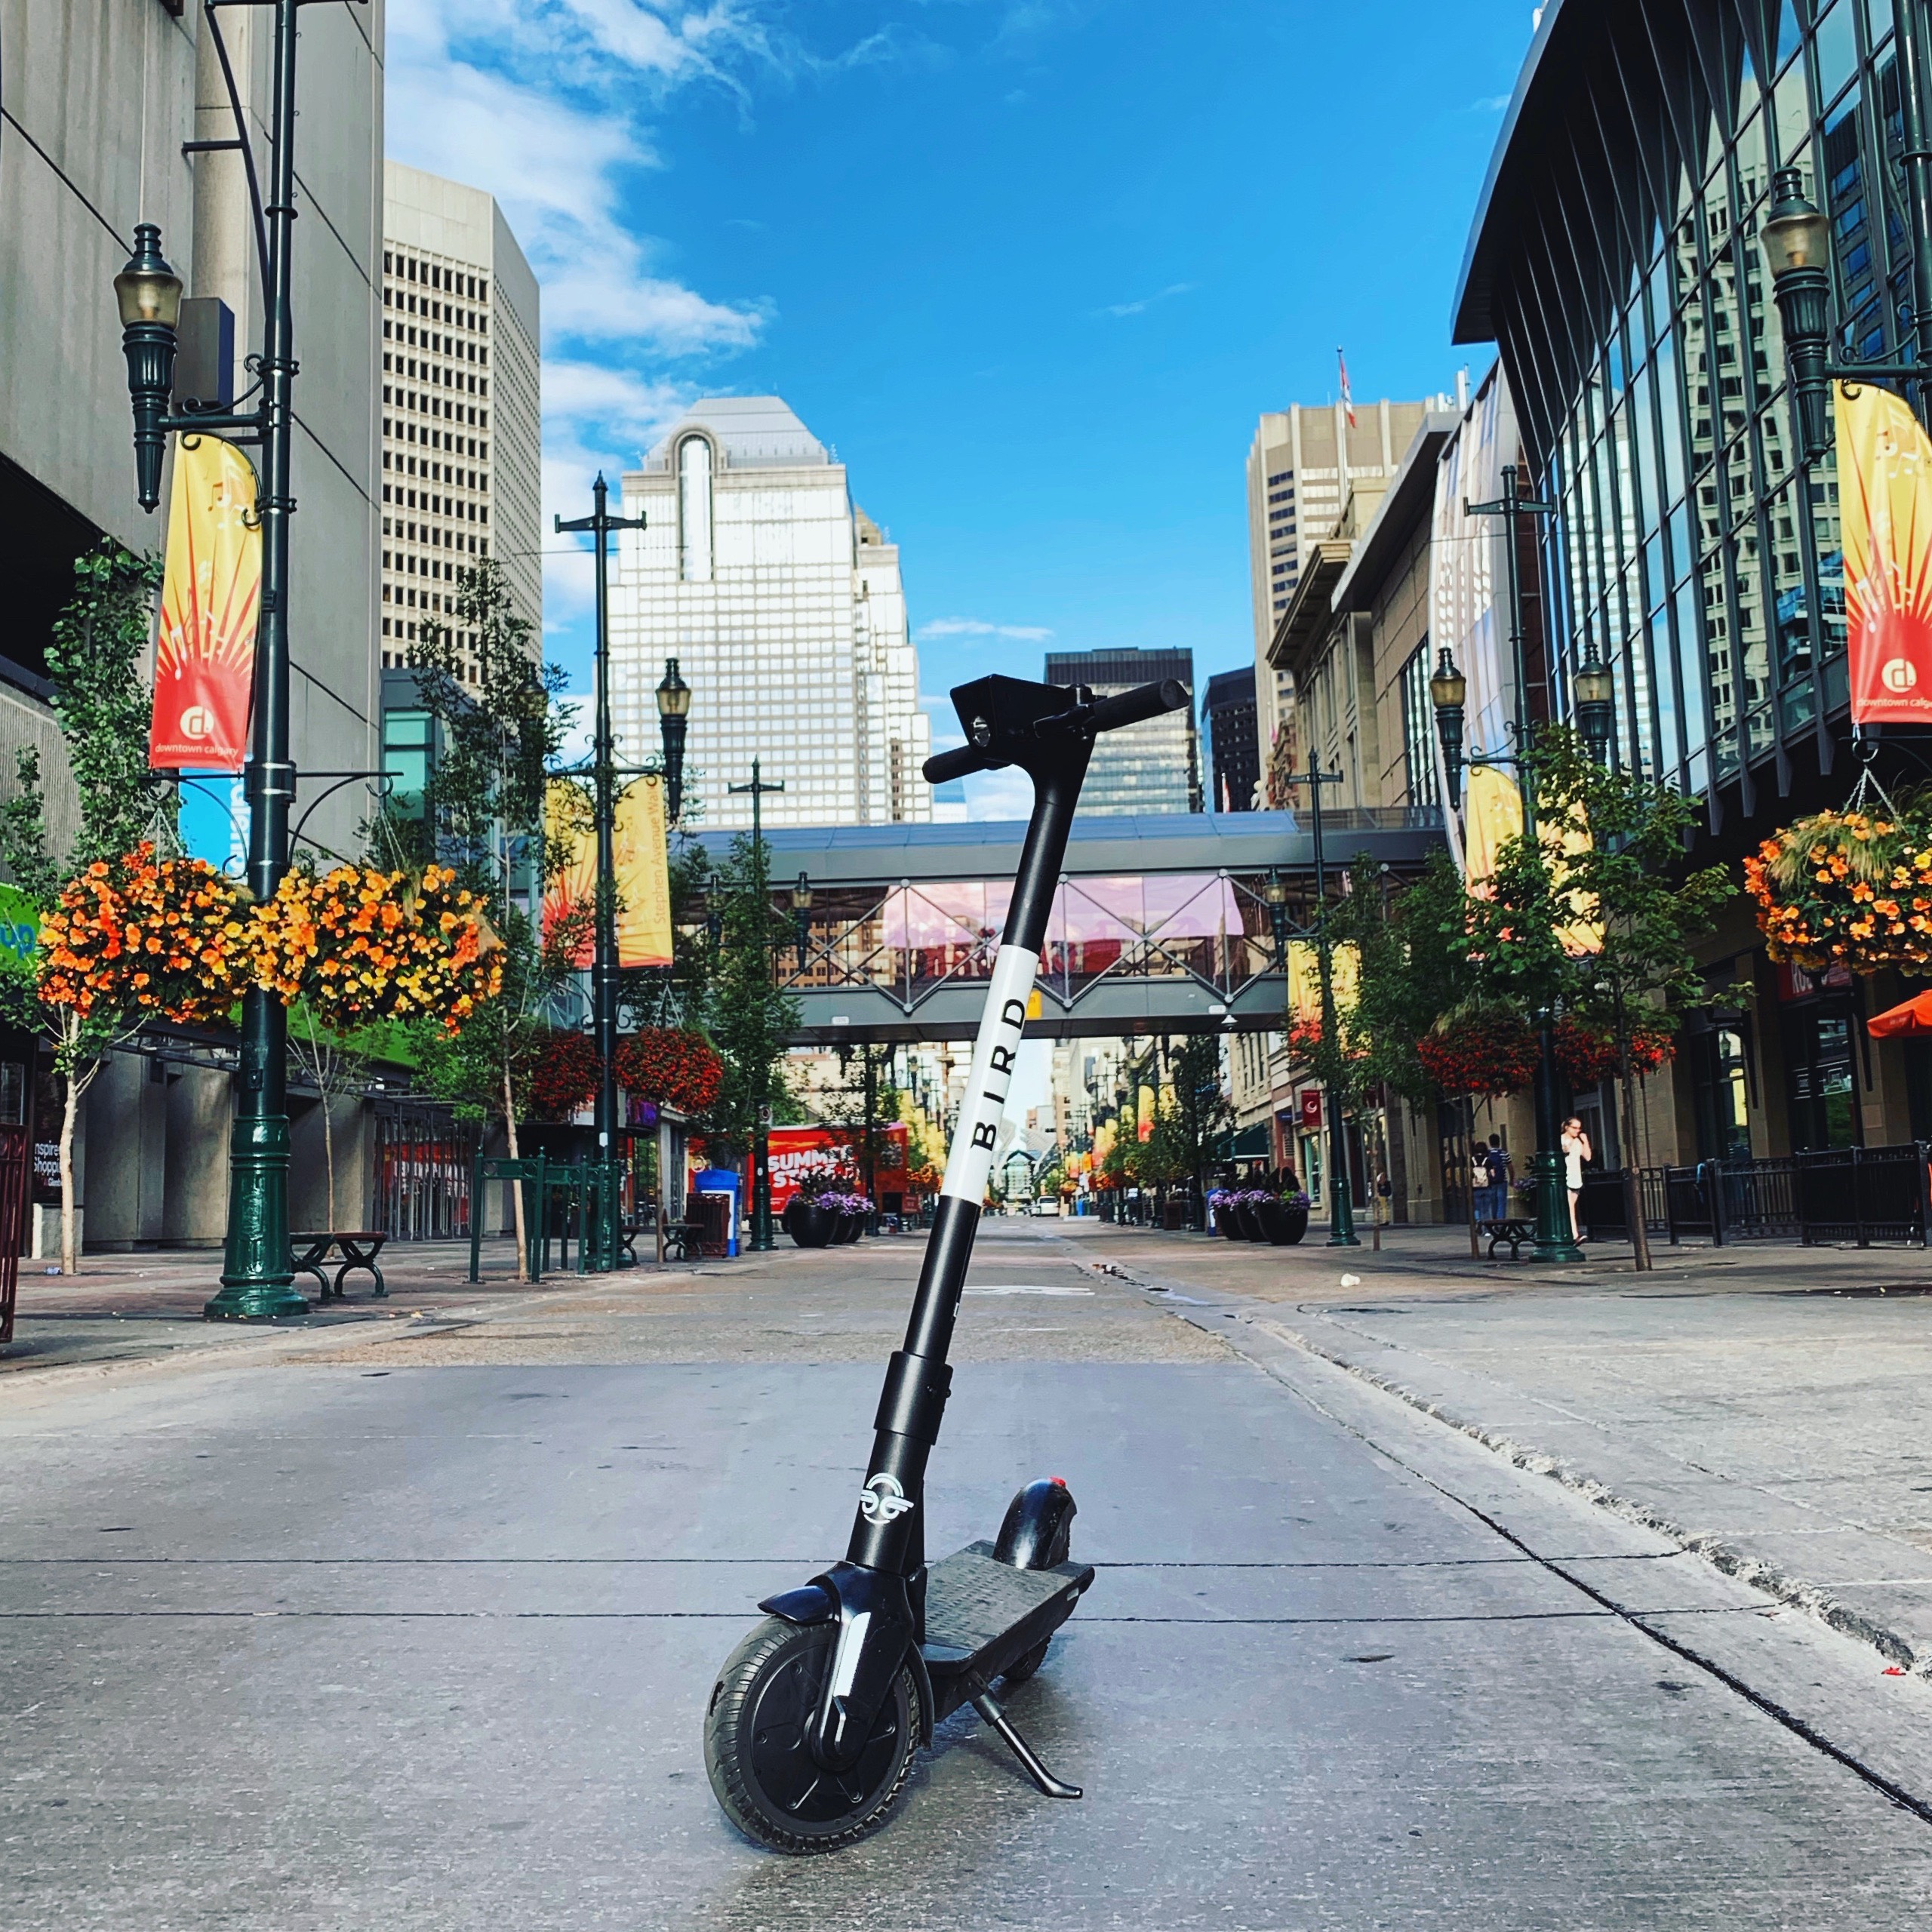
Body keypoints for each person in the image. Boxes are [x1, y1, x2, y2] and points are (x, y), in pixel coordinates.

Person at [1561, 1117, 1592, 1241]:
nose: (1577, 1131)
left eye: (1579, 1128)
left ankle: (1568, 1234)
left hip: (1575, 1178)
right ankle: (1575, 1235)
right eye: (1574, 1128)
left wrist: (1585, 1141)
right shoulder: (1561, 1139)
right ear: (1567, 1127)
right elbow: (1564, 1151)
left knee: (1570, 1207)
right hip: (1565, 1177)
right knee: (1570, 1208)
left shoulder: (1578, 1141)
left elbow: (1588, 1157)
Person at [1484, 1133, 1512, 1224]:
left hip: (1490, 1182)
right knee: (1501, 1202)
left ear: (1490, 1142)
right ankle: (1501, 1222)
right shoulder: (1504, 1154)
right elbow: (1510, 1167)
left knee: (1493, 1202)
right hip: (1502, 1181)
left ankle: (1494, 1221)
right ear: (1499, 1142)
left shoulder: (1487, 1155)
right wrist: (1512, 1179)